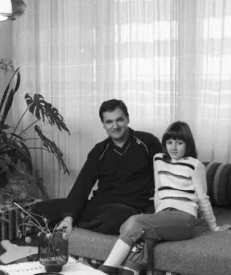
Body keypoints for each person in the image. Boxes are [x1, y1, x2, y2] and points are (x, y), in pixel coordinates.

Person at [97, 121, 231, 275]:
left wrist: (213, 226)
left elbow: (202, 198)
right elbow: (159, 191)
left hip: (184, 218)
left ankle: (105, 271)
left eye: (179, 142)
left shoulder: (195, 165)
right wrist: (156, 217)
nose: (173, 147)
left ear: (188, 144)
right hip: (163, 216)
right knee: (139, 245)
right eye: (169, 142)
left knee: (135, 221)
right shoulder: (158, 159)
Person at [31, 99, 162, 235]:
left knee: (117, 216)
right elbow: (82, 185)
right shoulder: (99, 150)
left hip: (130, 208)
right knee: (40, 209)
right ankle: (75, 223)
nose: (115, 126)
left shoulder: (148, 142)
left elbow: (165, 172)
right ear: (103, 124)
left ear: (127, 119)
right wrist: (69, 216)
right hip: (100, 207)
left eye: (119, 120)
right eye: (109, 122)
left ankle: (77, 226)